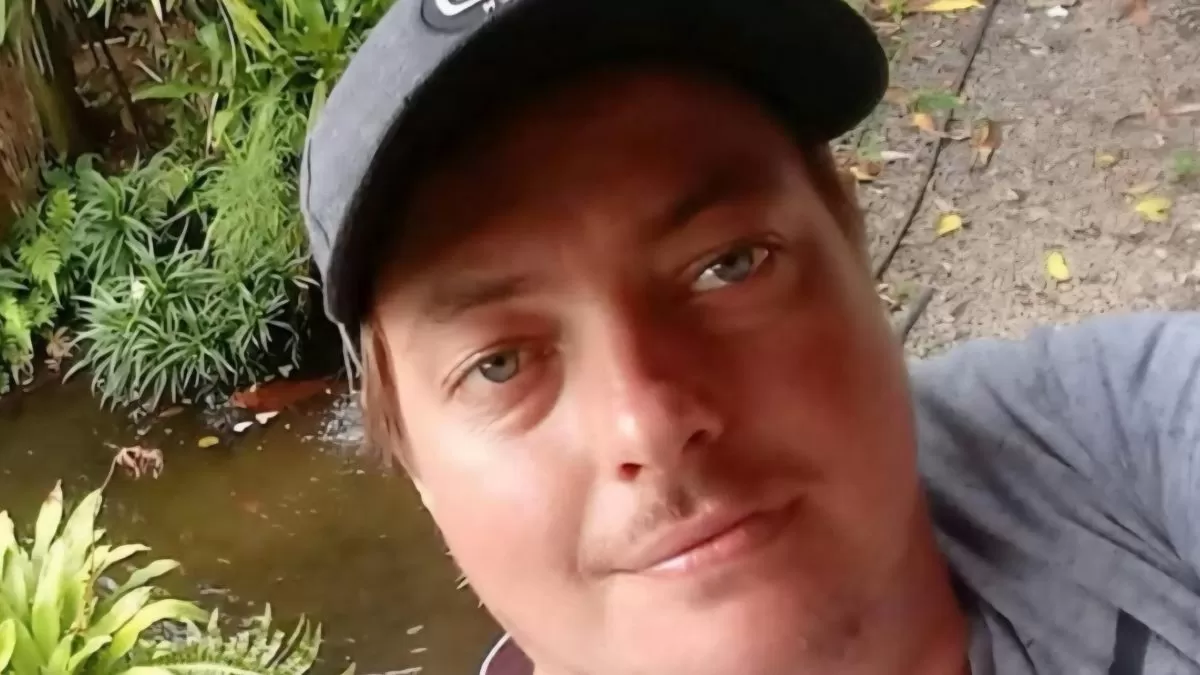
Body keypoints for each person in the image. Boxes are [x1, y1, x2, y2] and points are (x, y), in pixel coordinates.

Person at [299, 1, 1200, 673]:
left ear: (850, 244)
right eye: (499, 364)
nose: (648, 423)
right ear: (412, 460)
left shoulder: (1124, 444)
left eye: (729, 264)